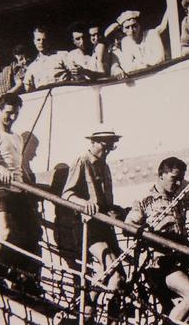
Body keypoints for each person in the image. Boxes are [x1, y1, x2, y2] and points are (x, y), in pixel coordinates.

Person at [61, 126, 126, 323]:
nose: (106, 151)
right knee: (112, 273)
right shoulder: (82, 162)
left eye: (110, 148)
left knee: (119, 277)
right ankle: (88, 312)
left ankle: (90, 309)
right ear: (93, 143)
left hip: (105, 226)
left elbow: (105, 201)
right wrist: (84, 204)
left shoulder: (104, 166)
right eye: (104, 147)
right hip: (89, 227)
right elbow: (67, 194)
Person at [0, 93, 42, 293]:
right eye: (8, 113)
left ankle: (23, 277)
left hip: (18, 190)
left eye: (15, 114)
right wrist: (1, 170)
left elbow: (18, 166)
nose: (12, 117)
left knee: (33, 233)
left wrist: (32, 186)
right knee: (5, 231)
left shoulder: (16, 137)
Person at [125, 157, 189, 322]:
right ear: (160, 176)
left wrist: (179, 181)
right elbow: (129, 224)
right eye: (174, 178)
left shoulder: (178, 198)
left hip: (178, 263)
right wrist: (144, 231)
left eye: (180, 179)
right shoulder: (146, 200)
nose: (178, 183)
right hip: (159, 264)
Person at [114, 10, 167, 75]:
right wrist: (144, 65)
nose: (131, 30)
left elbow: (160, 59)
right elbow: (127, 67)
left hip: (160, 74)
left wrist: (137, 63)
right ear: (123, 30)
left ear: (139, 25)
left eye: (134, 26)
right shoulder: (125, 42)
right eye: (127, 27)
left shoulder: (152, 34)